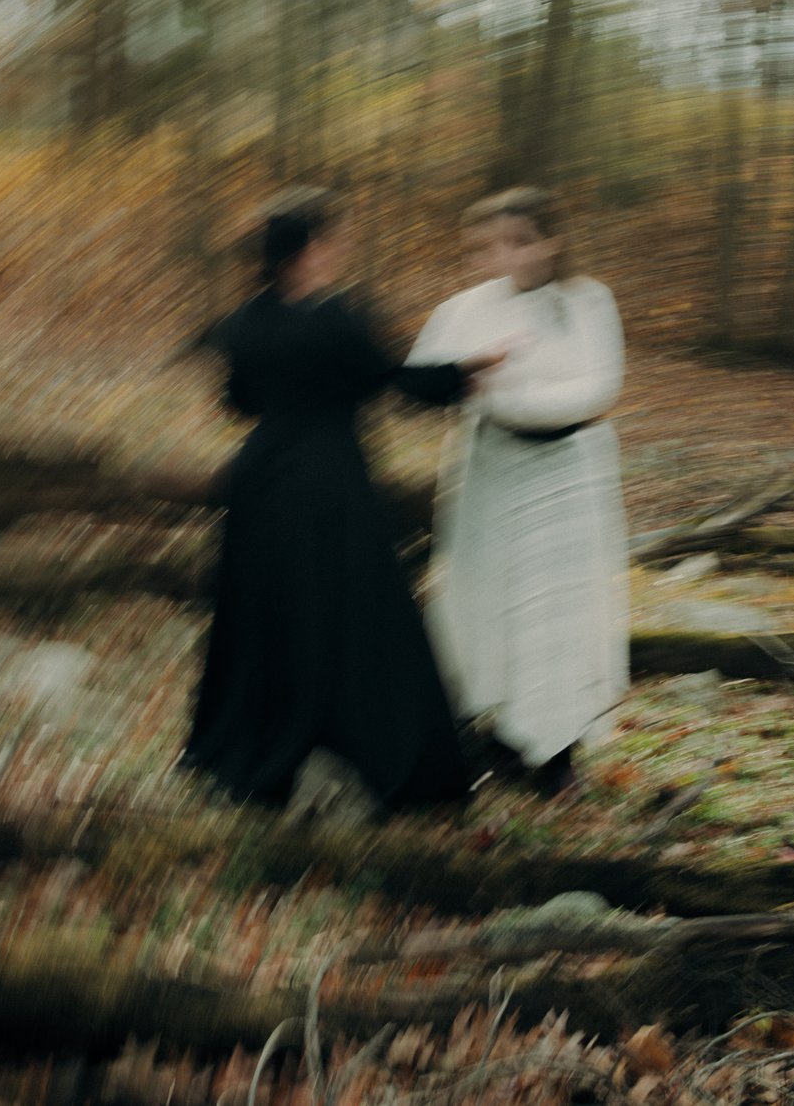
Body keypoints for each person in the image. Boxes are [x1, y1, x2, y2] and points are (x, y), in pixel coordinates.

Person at [182, 187, 507, 815]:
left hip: (259, 480)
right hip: (328, 478)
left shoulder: (244, 319)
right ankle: (367, 747)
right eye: (335, 238)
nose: (343, 249)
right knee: (352, 609)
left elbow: (237, 402)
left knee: (263, 612)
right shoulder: (338, 317)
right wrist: (468, 372)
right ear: (309, 250)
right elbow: (390, 383)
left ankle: (253, 748)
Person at [408, 187, 629, 796]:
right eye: (495, 244)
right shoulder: (465, 308)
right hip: (491, 475)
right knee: (486, 600)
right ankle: (496, 736)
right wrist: (467, 386)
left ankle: (556, 751)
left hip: (568, 473)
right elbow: (427, 376)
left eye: (521, 240)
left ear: (552, 241)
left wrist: (505, 399)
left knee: (557, 606)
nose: (506, 255)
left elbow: (598, 387)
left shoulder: (587, 302)